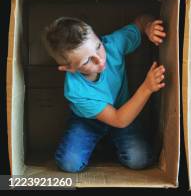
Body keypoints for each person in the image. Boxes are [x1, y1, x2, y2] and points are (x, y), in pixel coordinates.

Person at [43, 15, 166, 173]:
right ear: (69, 68)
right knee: (70, 163)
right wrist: (147, 88)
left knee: (139, 159)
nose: (100, 60)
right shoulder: (75, 90)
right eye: (87, 61)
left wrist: (149, 27)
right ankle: (101, 143)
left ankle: (107, 142)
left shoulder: (112, 45)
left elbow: (140, 22)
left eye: (98, 46)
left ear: (97, 37)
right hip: (89, 120)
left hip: (125, 109)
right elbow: (118, 119)